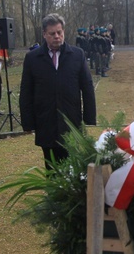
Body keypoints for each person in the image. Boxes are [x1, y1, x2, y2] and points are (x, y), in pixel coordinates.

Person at [20, 13, 96, 167]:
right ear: (44, 34)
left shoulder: (77, 55)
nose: (56, 36)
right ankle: (53, 191)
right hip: (45, 120)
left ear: (64, 32)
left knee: (72, 165)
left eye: (59, 33)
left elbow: (87, 87)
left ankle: (70, 191)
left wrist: (89, 118)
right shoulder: (32, 58)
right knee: (52, 166)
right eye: (52, 33)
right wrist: (28, 123)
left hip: (71, 119)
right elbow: (26, 92)